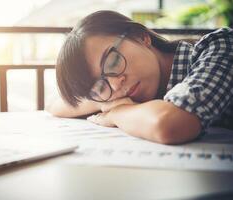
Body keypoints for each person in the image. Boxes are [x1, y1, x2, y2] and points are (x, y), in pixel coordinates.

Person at [46, 10, 233, 144]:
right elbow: (55, 105)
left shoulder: (220, 45)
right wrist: (104, 100)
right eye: (100, 87)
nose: (115, 84)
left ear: (140, 37)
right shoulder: (115, 93)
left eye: (112, 63)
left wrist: (116, 112)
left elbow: (170, 124)